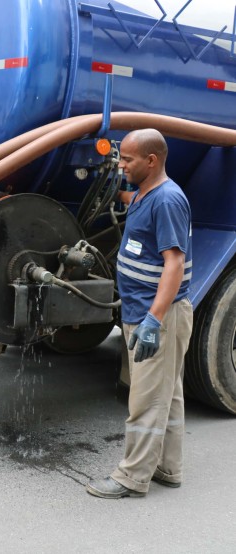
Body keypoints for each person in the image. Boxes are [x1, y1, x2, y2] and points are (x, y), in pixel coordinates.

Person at [86, 129, 193, 498]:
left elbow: (174, 264)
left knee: (146, 398)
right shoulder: (146, 194)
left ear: (152, 160)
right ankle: (168, 467)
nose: (121, 164)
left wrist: (154, 320)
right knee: (168, 392)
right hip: (141, 309)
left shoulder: (168, 200)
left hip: (157, 314)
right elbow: (133, 200)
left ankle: (132, 477)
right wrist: (111, 184)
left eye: (127, 159)